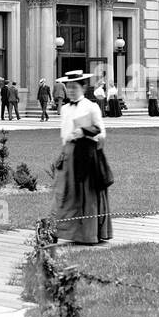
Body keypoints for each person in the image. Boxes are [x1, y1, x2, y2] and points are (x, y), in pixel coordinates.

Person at [50, 69, 113, 245]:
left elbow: (100, 131)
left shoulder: (91, 107)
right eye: (69, 87)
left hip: (86, 154)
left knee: (86, 194)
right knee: (64, 192)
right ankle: (59, 230)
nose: (71, 90)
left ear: (83, 88)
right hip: (68, 153)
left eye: (75, 87)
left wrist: (84, 132)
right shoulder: (64, 109)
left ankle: (87, 234)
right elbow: (64, 133)